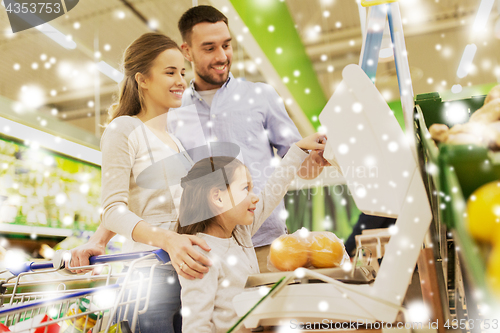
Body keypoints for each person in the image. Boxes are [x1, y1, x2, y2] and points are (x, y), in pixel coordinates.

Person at [70, 5, 328, 276]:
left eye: (226, 45)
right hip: (199, 250)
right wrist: (99, 239)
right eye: (209, 48)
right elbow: (134, 190)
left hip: (264, 240)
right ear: (187, 51)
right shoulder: (169, 113)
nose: (222, 56)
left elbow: (302, 168)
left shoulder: (261, 96)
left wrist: (313, 160)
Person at [94, 32, 215, 333]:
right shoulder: (123, 129)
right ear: (143, 79)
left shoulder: (174, 141)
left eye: (182, 72)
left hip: (184, 272)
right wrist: (168, 240)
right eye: (170, 72)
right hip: (148, 277)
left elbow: (142, 201)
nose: (180, 81)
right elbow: (113, 208)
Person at [176, 134, 327, 333]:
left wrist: (298, 149)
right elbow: (195, 327)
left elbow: (273, 190)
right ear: (217, 197)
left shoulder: (240, 233)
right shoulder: (200, 255)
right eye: (245, 189)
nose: (254, 197)